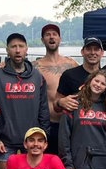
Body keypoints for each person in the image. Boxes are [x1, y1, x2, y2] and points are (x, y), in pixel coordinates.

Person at [55, 37, 104, 169]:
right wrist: (61, 102)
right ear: (83, 51)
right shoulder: (70, 75)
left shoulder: (105, 77)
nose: (93, 53)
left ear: (101, 53)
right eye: (89, 49)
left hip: (100, 145)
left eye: (97, 49)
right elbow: (56, 104)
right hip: (76, 141)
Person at [0, 33, 49, 169]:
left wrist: (43, 137)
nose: (17, 50)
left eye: (21, 46)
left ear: (26, 49)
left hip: (31, 140)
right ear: (7, 50)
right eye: (13, 47)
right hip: (5, 141)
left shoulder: (37, 77)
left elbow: (43, 110)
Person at [32, 24, 78, 155]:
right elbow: (16, 71)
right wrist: (3, 65)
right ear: (42, 40)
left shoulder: (71, 64)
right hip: (48, 124)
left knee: (68, 166)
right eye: (48, 35)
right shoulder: (35, 66)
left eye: (54, 34)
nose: (51, 37)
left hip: (69, 123)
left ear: (60, 38)